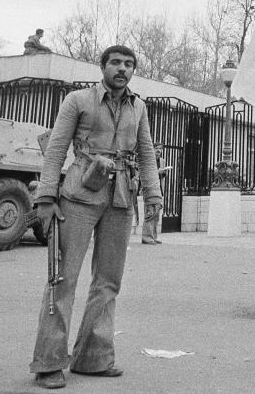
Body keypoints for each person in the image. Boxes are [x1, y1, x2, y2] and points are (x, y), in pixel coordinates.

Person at [29, 45, 162, 389]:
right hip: (78, 195)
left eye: (129, 64)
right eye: (115, 63)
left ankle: (93, 358)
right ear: (102, 66)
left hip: (121, 200)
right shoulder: (77, 100)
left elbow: (146, 153)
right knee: (63, 279)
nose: (122, 69)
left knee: (108, 282)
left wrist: (154, 196)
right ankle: (48, 363)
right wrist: (45, 197)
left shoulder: (140, 106)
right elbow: (57, 148)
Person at [141, 141, 167, 245]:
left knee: (157, 213)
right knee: (150, 212)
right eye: (156, 148)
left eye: (160, 148)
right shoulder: (148, 160)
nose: (158, 150)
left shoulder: (162, 161)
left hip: (159, 188)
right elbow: (146, 173)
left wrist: (163, 172)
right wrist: (158, 171)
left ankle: (153, 236)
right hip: (150, 188)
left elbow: (162, 176)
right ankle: (146, 237)